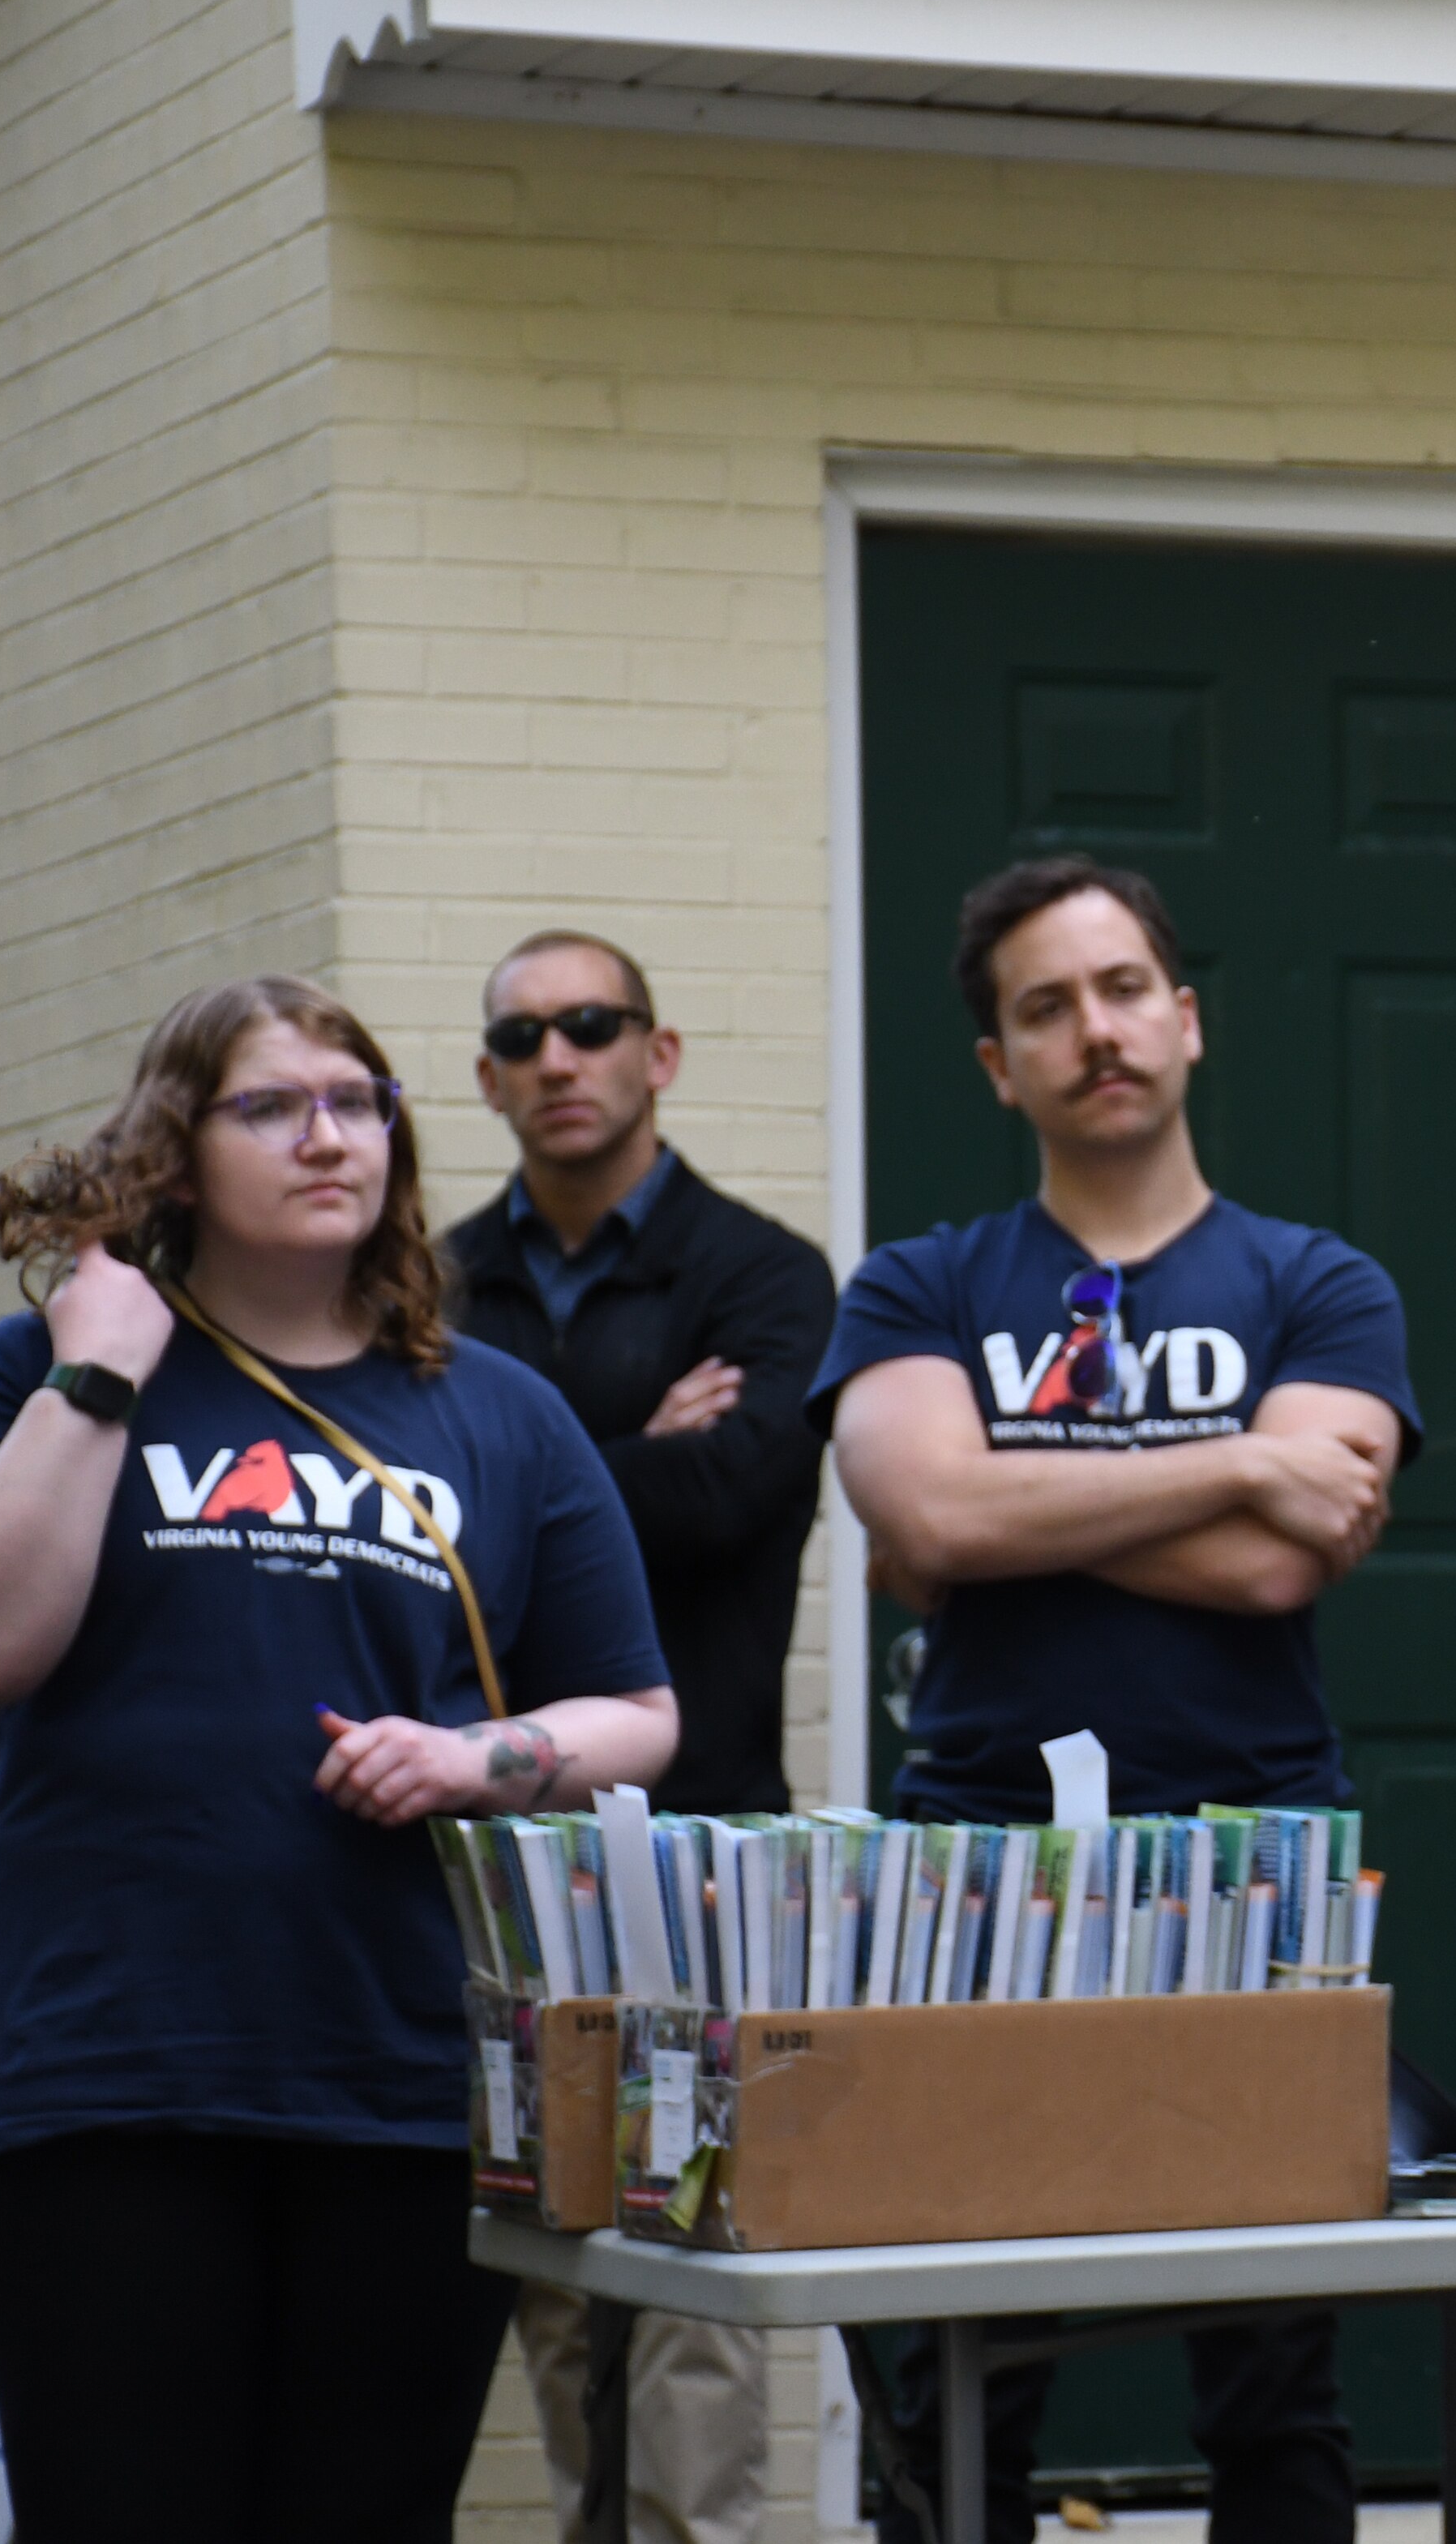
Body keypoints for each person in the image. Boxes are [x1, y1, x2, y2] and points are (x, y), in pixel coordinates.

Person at [0, 976, 677, 2543]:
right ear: (174, 1147)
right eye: (270, 1105)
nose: (328, 1135)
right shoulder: (26, 1374)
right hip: (100, 2071)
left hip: (394, 2080)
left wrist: (481, 1755)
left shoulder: (500, 1414)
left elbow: (635, 1712)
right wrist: (102, 1368)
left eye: (359, 1100)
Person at [812, 857, 1415, 2544]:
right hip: (975, 1870)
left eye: (1124, 986)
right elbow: (925, 1517)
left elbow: (1275, 1572)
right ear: (998, 1064)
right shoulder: (918, 1284)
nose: (1096, 1027)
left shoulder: (1322, 1283)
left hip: (1255, 1865)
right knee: (955, 2362)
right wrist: (1235, 1459)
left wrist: (1014, 1501)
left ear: (1188, 1017)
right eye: (1045, 1005)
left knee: (1273, 2372)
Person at [446, 928, 837, 2544]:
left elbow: (744, 1492)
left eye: (591, 1023)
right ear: (486, 1078)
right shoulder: (439, 1279)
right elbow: (439, 1534)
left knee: (686, 2272)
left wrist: (531, 1480)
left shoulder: (763, 1274)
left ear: (656, 1053)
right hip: (496, 1857)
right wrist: (627, 1451)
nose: (559, 1056)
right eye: (524, 1034)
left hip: (699, 1847)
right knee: (553, 2270)